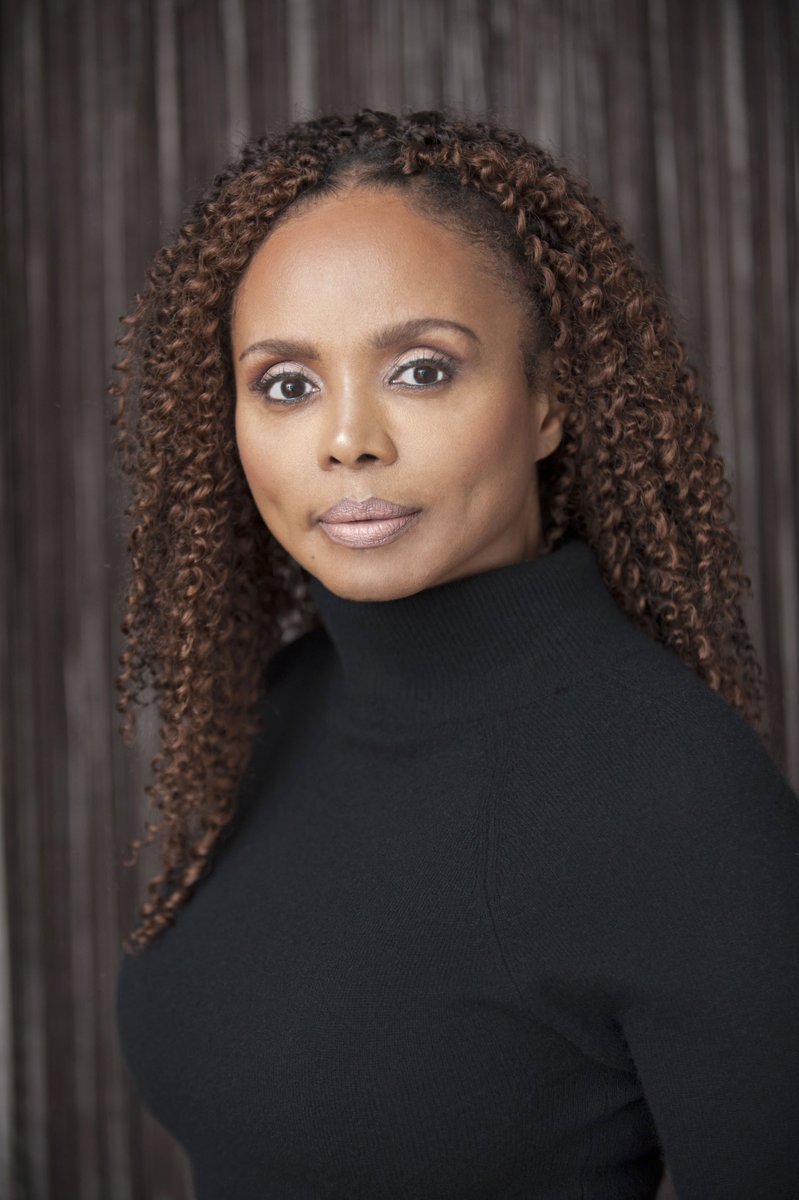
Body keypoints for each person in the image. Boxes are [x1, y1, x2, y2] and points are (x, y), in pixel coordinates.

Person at [112, 107, 799, 1199]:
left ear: (548, 401)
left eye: (421, 370)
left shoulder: (675, 795)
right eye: (286, 384)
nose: (348, 440)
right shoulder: (280, 706)